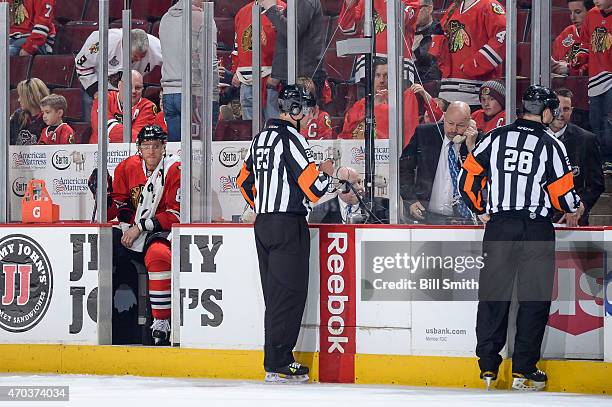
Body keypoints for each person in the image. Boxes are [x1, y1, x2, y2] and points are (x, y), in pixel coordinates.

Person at [458, 85, 584, 391]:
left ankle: (487, 367)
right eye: (552, 110)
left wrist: (482, 209)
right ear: (544, 111)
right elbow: (562, 196)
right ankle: (524, 370)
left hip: (499, 226)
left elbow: (468, 179)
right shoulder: (551, 144)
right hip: (535, 228)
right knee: (533, 299)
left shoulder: (494, 137)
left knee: (493, 296)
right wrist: (575, 206)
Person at [237, 84, 333, 382]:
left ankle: (275, 359)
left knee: (275, 295)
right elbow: (314, 188)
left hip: (263, 224)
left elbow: (242, 180)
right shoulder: (291, 139)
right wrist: (329, 173)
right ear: (295, 110)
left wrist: (265, 204)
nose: (309, 115)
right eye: (306, 109)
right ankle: (279, 361)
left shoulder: (260, 138)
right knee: (288, 296)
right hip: (288, 225)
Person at [100, 125, 180, 346]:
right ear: (139, 148)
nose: (151, 151)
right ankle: (107, 318)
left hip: (159, 232)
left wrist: (141, 226)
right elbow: (119, 205)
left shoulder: (175, 169)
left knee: (159, 256)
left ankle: (161, 322)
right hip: (131, 233)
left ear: (164, 147)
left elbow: (175, 214)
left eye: (156, 146)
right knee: (102, 248)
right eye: (146, 146)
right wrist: (103, 198)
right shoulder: (126, 167)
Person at [399, 101, 480, 224]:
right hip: (426, 214)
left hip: (463, 219)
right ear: (444, 118)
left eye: (460, 125)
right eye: (450, 123)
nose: (454, 129)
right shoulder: (425, 134)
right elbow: (404, 167)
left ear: (470, 124)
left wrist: (471, 147)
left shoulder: (476, 141)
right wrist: (410, 199)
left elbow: (484, 178)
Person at [160, 0, 219, 142]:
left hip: (169, 94)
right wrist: (214, 93)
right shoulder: (202, 18)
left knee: (176, 154)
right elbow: (208, 61)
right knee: (198, 153)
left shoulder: (165, 18)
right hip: (193, 94)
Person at [258, 0, 326, 121]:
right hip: (294, 74)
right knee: (290, 125)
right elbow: (289, 35)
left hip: (303, 77)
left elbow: (292, 33)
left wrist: (271, 9)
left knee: (300, 125)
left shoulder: (305, 2)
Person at [432, 0, 507, 106]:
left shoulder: (490, 5)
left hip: (478, 94)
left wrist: (477, 63)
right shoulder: (453, 8)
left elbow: (504, 35)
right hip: (447, 92)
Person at [549, 88, 604, 226]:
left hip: (574, 222)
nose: (561, 114)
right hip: (537, 221)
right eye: (557, 108)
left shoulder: (586, 140)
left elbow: (596, 184)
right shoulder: (534, 138)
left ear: (572, 111)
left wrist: (579, 206)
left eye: (566, 109)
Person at [338, 59, 421, 146]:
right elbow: (345, 135)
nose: (382, 80)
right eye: (377, 75)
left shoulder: (402, 105)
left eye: (386, 76)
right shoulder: (360, 105)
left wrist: (425, 96)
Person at [338, 0, 420, 84]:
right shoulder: (365, 2)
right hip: (366, 67)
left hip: (398, 69)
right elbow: (347, 28)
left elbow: (396, 19)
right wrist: (349, 5)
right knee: (364, 97)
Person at [231, 0, 285, 120]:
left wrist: (277, 74)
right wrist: (236, 70)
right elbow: (237, 45)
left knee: (273, 125)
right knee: (249, 130)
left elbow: (286, 46)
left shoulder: (282, 8)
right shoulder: (242, 12)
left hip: (270, 79)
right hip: (245, 79)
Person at [76, 28, 163, 98]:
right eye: (135, 56)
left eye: (143, 56)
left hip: (130, 92)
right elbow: (82, 66)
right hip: (99, 84)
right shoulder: (102, 41)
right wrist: (95, 91)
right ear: (125, 46)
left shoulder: (156, 46)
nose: (139, 59)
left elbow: (173, 65)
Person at [579, 0, 612, 172]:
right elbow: (584, 44)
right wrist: (572, 61)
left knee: (608, 120)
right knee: (596, 121)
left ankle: (609, 159)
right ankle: (602, 159)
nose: (596, 0)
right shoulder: (592, 14)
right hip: (595, 78)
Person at [90, 70, 157, 143]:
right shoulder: (103, 99)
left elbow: (138, 138)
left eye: (138, 88)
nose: (133, 91)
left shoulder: (148, 107)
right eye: (129, 87)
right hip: (96, 152)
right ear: (119, 85)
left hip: (131, 152)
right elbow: (103, 129)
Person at [309, 166, 389, 223]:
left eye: (359, 182)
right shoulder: (319, 213)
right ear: (339, 188)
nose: (359, 187)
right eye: (352, 184)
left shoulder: (383, 207)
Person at [551, 0, 594, 76]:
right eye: (571, 13)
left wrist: (569, 70)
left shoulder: (600, 35)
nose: (573, 17)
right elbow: (555, 66)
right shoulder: (565, 35)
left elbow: (600, 67)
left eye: (578, 12)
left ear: (591, 12)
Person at [10, 78, 49, 145]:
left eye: (21, 96)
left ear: (31, 97)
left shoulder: (50, 117)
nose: (19, 100)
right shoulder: (17, 115)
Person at [413, 0, 442, 83]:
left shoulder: (439, 32)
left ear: (429, 9)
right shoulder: (404, 32)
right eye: (411, 9)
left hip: (426, 86)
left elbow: (435, 71)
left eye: (417, 9)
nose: (413, 13)